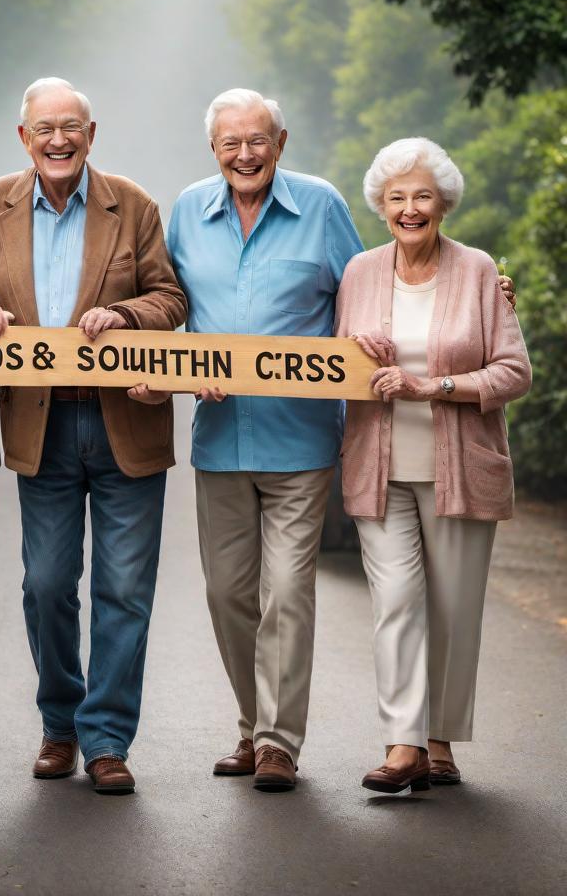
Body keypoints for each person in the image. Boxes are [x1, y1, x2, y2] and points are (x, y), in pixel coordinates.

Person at [0, 77, 186, 794]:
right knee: (47, 585)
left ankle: (107, 738)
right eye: (44, 128)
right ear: (23, 137)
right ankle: (60, 722)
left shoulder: (134, 204)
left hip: (127, 420)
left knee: (124, 590)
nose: (58, 140)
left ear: (92, 135)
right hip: (41, 422)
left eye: (72, 128)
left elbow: (171, 297)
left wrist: (129, 317)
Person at [158, 87, 363, 792]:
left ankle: (278, 742)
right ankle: (251, 724)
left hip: (302, 440)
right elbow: (169, 302)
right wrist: (179, 365)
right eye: (230, 144)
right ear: (213, 150)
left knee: (288, 594)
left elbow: (363, 297)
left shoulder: (323, 207)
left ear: (281, 142)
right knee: (227, 594)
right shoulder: (187, 210)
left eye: (257, 141)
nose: (245, 155)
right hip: (219, 438)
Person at [336, 137, 531, 792]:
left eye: (422, 195)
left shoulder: (478, 271)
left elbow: (514, 372)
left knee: (452, 608)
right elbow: (338, 366)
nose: (410, 208)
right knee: (395, 602)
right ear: (381, 207)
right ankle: (402, 745)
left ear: (443, 201)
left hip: (460, 464)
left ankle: (439, 741)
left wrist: (435, 387)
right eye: (397, 198)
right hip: (378, 466)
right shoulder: (359, 272)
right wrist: (354, 349)